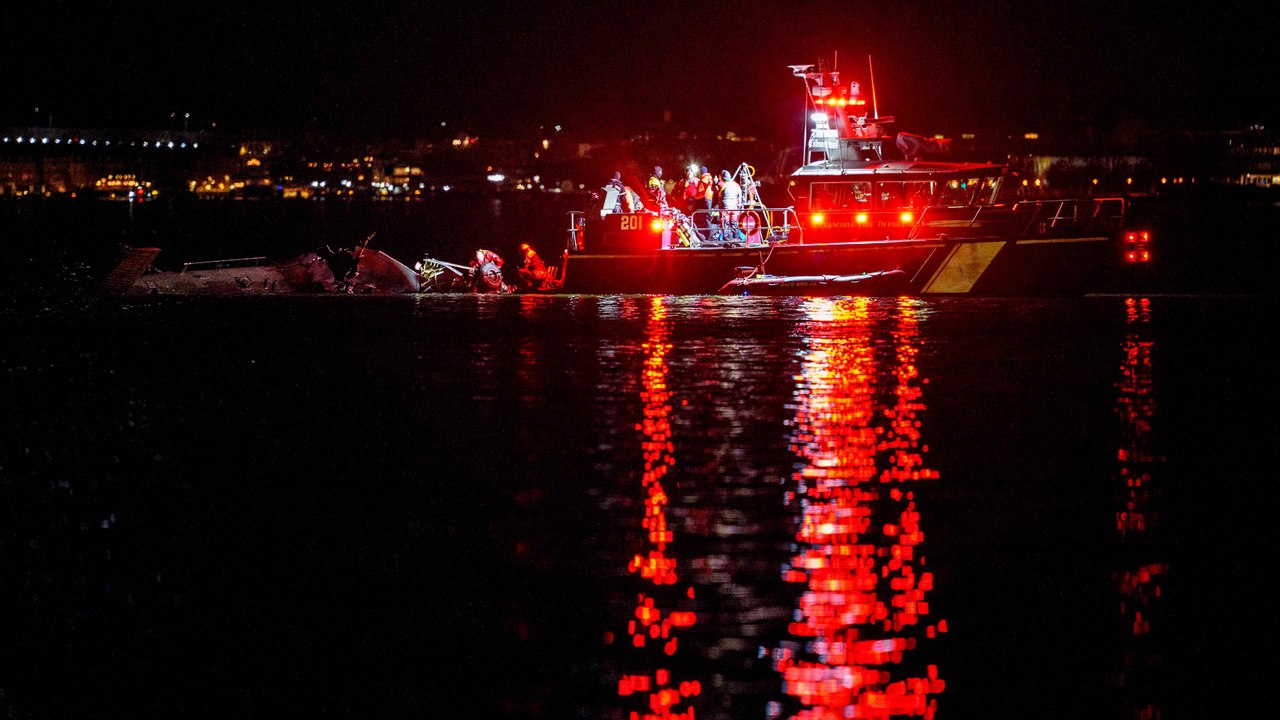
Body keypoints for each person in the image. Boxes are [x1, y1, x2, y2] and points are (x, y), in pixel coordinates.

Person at [718, 169, 746, 244]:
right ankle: (736, 238)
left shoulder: (723, 185)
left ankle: (726, 239)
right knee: (734, 223)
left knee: (725, 223)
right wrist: (739, 204)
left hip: (725, 207)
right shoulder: (736, 185)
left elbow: (720, 196)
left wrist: (720, 206)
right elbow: (739, 195)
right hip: (734, 207)